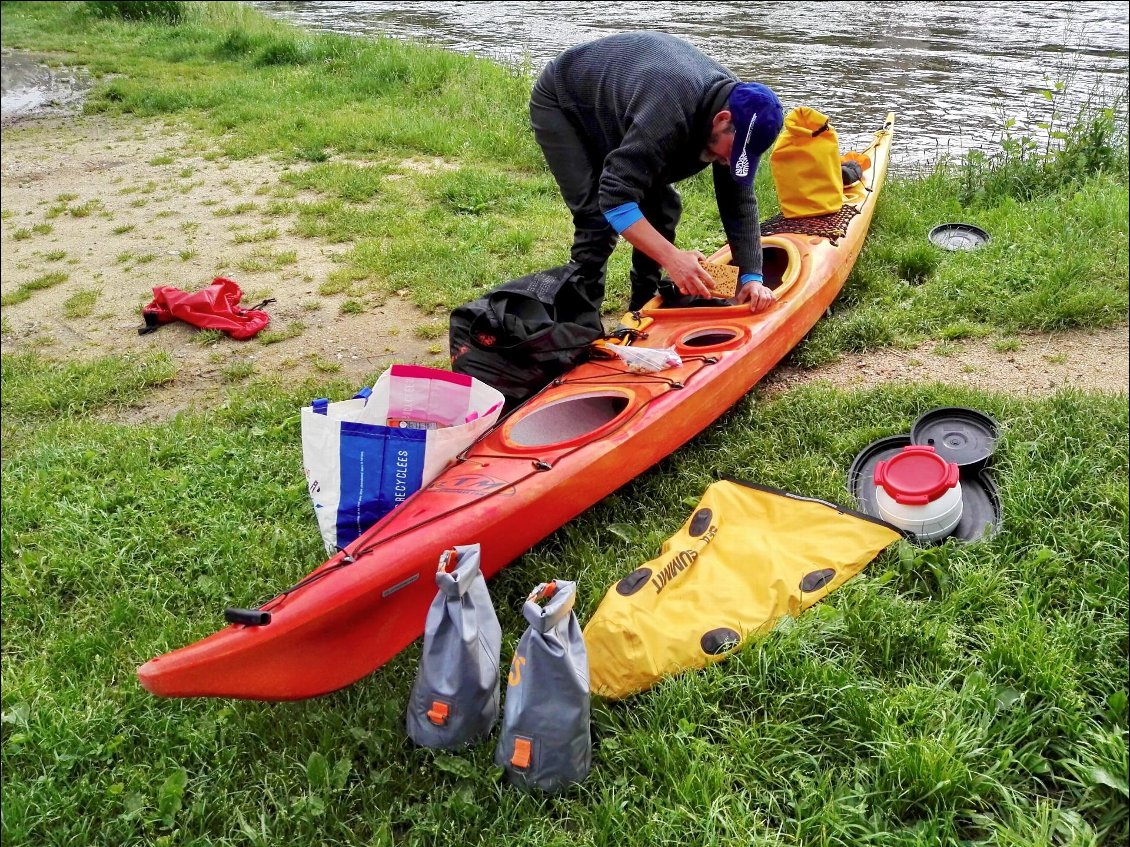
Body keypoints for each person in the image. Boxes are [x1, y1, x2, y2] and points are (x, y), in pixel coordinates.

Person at [529, 31, 784, 313]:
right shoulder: (670, 111)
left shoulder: (738, 108)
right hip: (565, 100)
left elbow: (738, 202)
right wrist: (673, 258)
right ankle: (579, 322)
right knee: (596, 219)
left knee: (663, 207)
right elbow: (615, 197)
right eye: (733, 152)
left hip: (627, 106)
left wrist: (751, 275)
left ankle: (643, 305)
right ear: (722, 120)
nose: (730, 161)